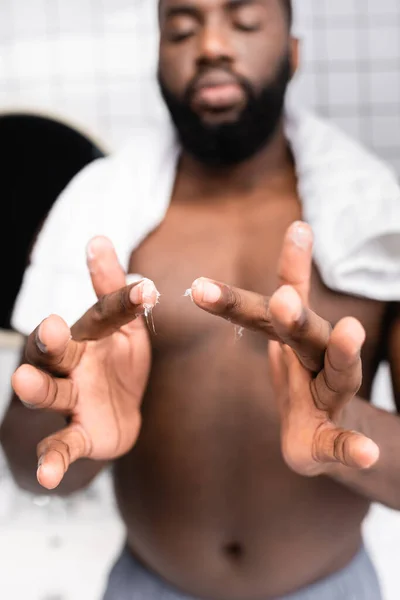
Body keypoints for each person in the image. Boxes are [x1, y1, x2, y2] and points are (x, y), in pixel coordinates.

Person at [2, 0, 400, 598]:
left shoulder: (374, 226)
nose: (211, 45)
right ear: (159, 60)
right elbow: (29, 472)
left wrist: (350, 423)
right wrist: (59, 420)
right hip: (148, 584)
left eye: (244, 22)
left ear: (292, 54)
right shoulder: (102, 226)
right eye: (182, 28)